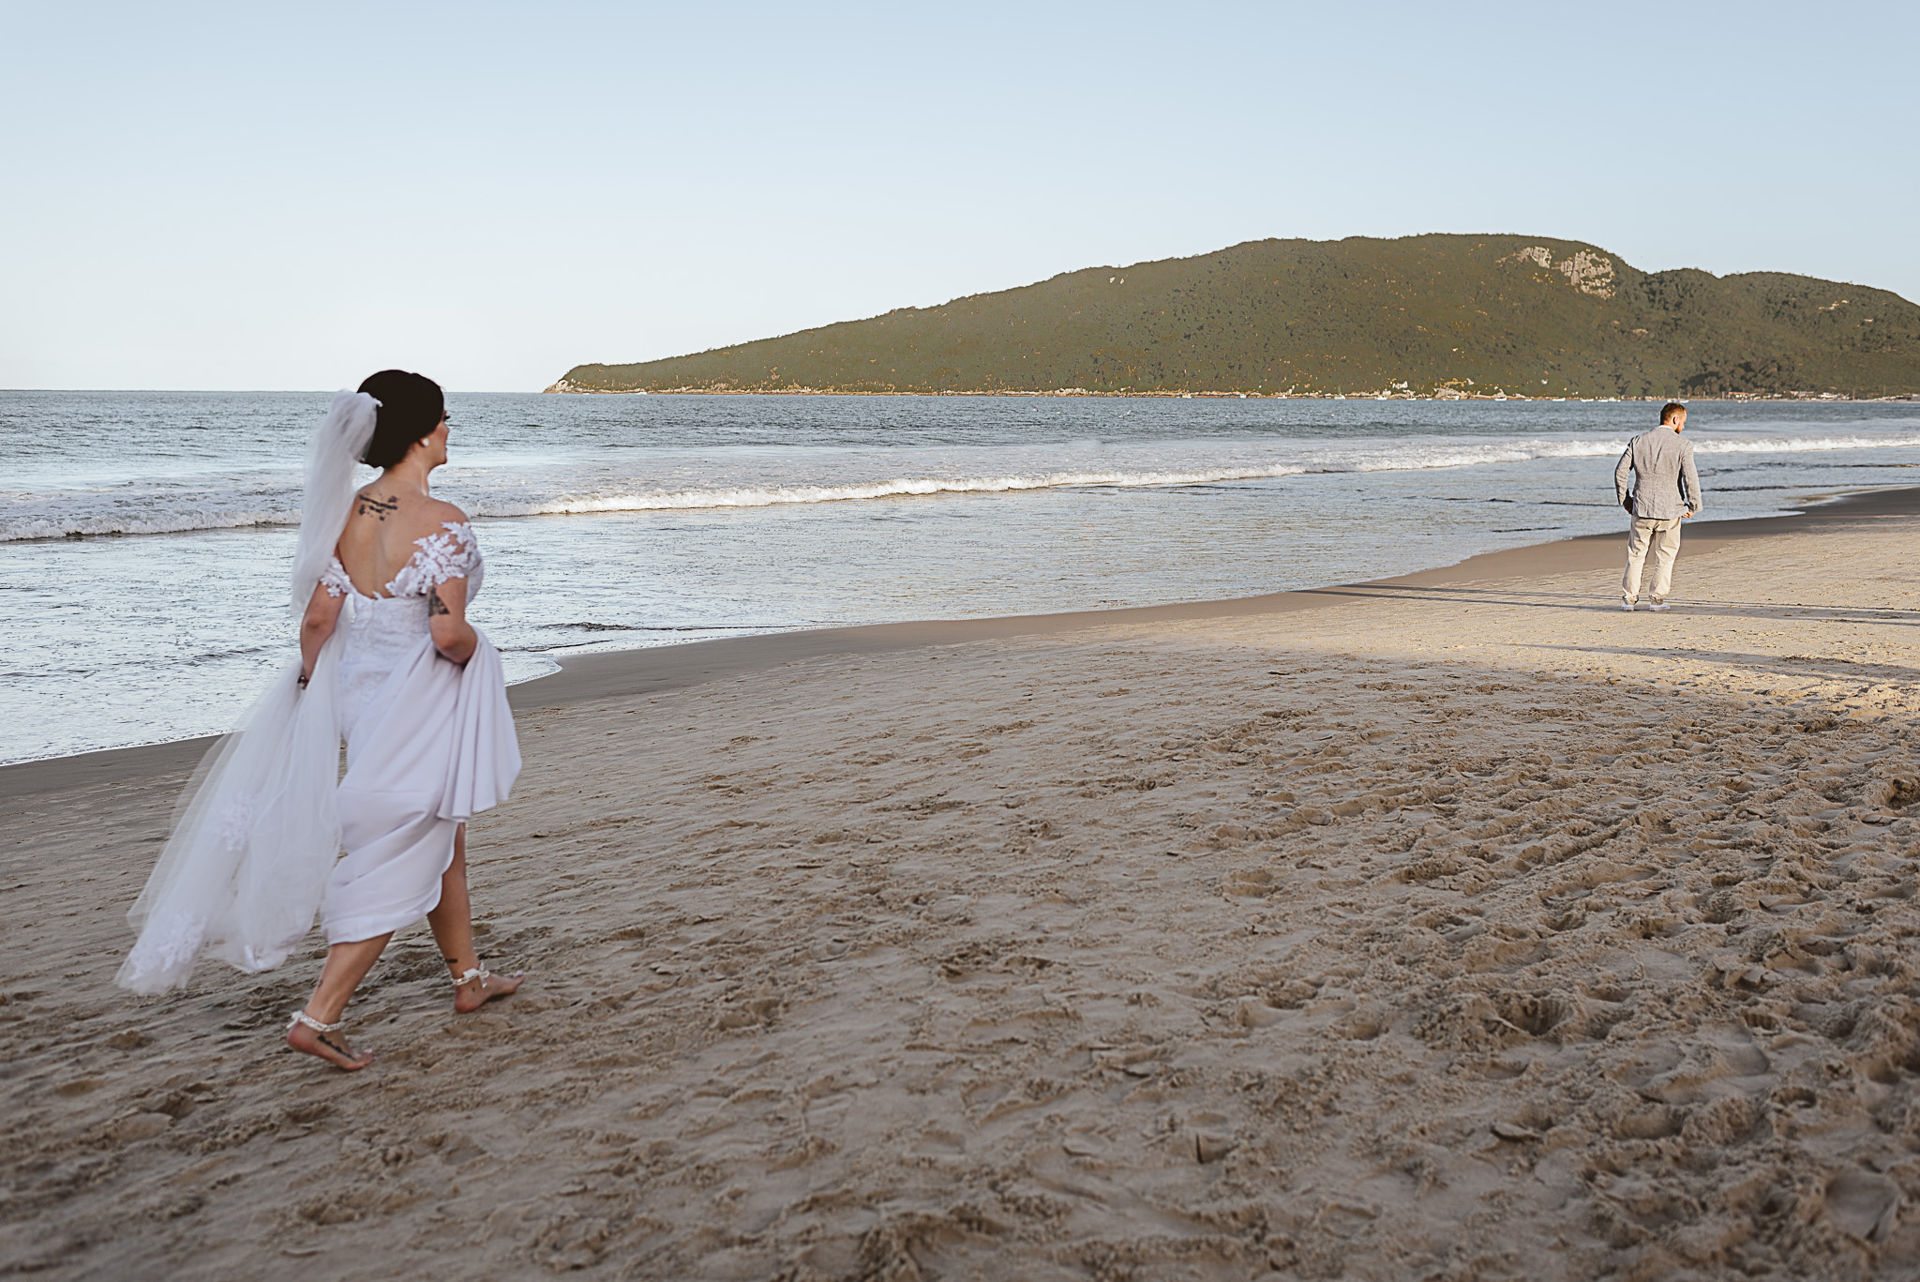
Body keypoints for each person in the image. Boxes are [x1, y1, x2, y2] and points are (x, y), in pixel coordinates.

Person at [117, 371, 523, 1072]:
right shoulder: (443, 521)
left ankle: (468, 979)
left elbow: (319, 619)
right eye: (446, 420)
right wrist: (481, 649)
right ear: (425, 432)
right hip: (418, 702)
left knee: (437, 836)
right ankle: (318, 1016)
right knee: (401, 854)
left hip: (360, 702)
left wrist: (312, 682)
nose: (451, 431)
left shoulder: (347, 513)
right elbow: (448, 635)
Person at [1614, 401, 1702, 612]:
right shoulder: (1683, 445)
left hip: (1642, 507)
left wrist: (1625, 499)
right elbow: (1691, 478)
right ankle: (1656, 600)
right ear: (1674, 419)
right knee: (1665, 555)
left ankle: (1629, 600)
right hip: (1670, 510)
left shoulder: (1638, 441)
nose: (1683, 426)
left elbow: (1620, 473)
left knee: (1636, 555)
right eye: (1683, 422)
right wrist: (1693, 505)